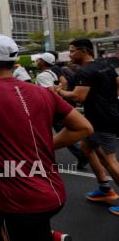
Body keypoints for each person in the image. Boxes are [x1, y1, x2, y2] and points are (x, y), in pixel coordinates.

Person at [0, 34, 93, 241]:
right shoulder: (41, 92)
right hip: (53, 192)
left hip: (18, 201)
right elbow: (84, 128)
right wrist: (46, 144)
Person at [56, 38, 119, 216]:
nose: (70, 55)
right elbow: (117, 84)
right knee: (86, 148)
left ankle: (107, 190)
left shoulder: (84, 71)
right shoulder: (104, 64)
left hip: (101, 120)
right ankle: (105, 189)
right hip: (104, 117)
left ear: (84, 51)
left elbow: (78, 97)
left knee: (109, 160)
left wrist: (58, 91)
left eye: (72, 51)